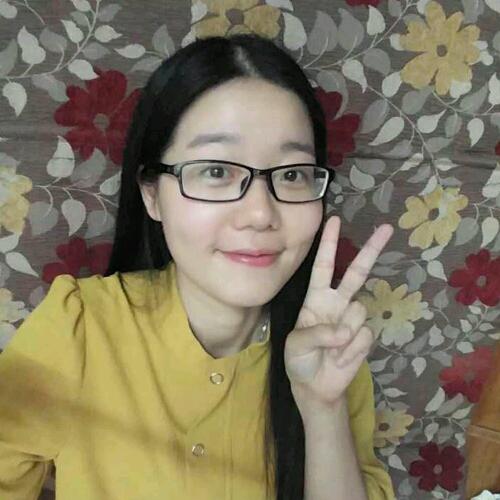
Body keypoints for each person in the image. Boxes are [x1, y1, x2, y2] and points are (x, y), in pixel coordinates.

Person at [0, 34, 396, 500]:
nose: (260, 214)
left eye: (291, 174)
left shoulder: (331, 348)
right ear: (152, 194)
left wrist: (323, 408)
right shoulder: (80, 329)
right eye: (216, 171)